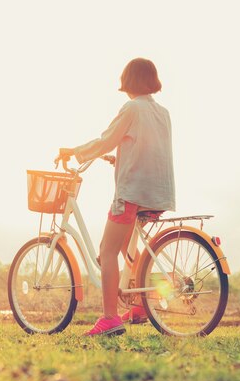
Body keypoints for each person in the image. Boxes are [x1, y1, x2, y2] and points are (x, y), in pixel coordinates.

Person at [55, 58, 175, 336]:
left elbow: (106, 139)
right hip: (158, 192)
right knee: (128, 249)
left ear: (128, 81)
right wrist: (118, 158)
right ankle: (140, 305)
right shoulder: (163, 112)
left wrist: (74, 152)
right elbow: (149, 149)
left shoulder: (131, 108)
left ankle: (109, 318)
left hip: (132, 193)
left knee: (107, 251)